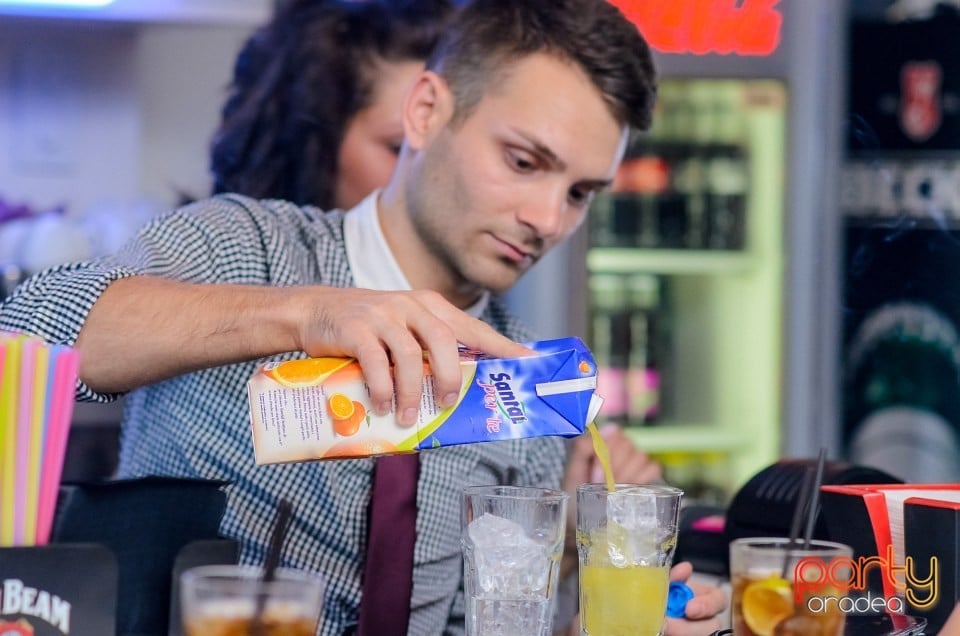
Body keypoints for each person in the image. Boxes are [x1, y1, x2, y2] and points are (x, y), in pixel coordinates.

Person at [0, 0, 725, 633]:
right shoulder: (242, 247)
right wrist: (311, 312)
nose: (546, 218)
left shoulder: (527, 390)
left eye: (580, 193)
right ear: (426, 111)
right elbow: (30, 333)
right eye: (524, 162)